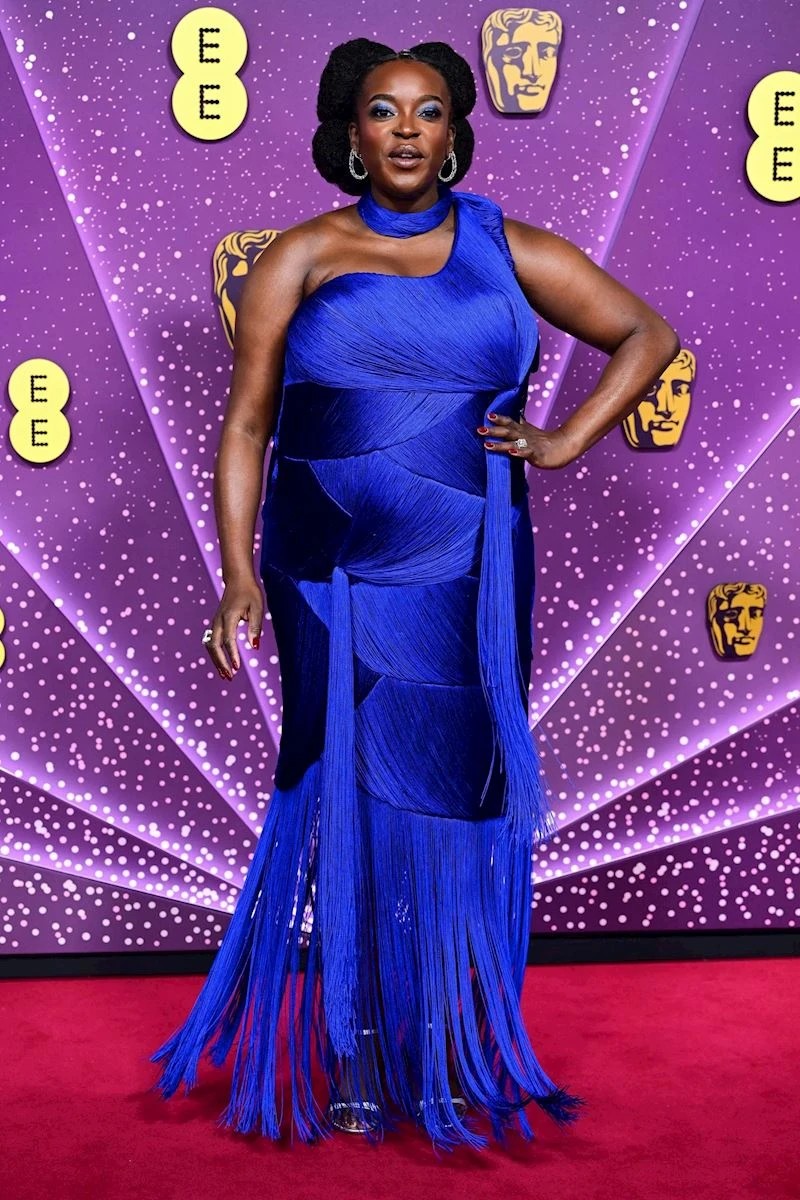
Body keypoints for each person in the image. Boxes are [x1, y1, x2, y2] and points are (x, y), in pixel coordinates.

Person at [151, 37, 679, 1150]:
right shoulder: (299, 254)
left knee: (452, 791)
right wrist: (238, 574)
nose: (404, 129)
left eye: (427, 110)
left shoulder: (507, 246)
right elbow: (246, 424)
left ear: (452, 132)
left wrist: (561, 439)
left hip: (467, 564)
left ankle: (434, 1039)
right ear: (351, 131)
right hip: (329, 567)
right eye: (383, 110)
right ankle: (352, 1042)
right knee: (343, 789)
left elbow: (647, 334)